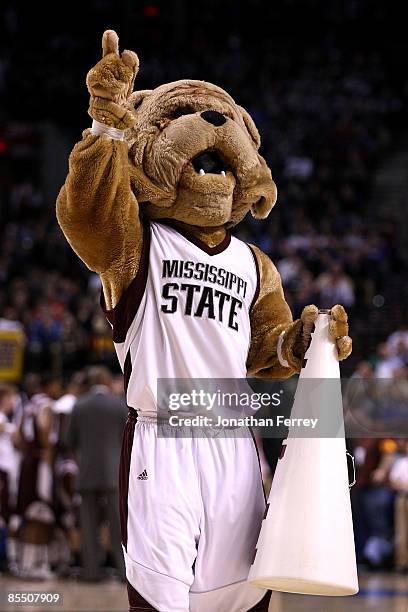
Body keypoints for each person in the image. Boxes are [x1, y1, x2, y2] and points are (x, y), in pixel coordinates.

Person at [65, 366, 127, 582]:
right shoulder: (119, 405)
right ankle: (123, 572)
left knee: (89, 525)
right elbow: (128, 438)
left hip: (87, 471)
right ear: (107, 381)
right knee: (118, 525)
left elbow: (68, 441)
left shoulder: (79, 405)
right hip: (114, 473)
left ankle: (91, 572)